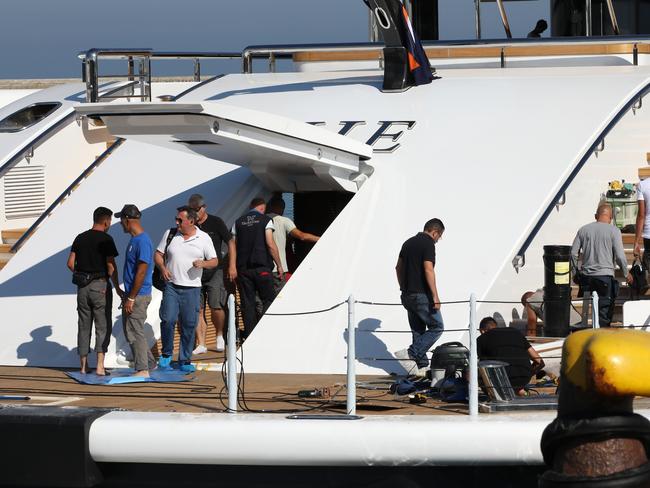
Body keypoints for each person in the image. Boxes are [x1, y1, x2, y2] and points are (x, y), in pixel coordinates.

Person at [154, 206, 218, 371]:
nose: (176, 222)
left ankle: (184, 360)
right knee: (168, 319)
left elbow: (214, 261)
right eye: (176, 219)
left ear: (191, 221)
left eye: (180, 220)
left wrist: (203, 263)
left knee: (189, 324)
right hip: (172, 287)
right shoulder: (170, 234)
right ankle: (167, 354)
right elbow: (158, 254)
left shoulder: (203, 238)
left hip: (192, 288)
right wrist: (162, 268)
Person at [67, 206, 120, 375]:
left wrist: (82, 275)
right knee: (102, 325)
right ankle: (100, 366)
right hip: (100, 285)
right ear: (106, 221)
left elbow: (70, 263)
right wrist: (117, 286)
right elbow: (111, 266)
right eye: (110, 221)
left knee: (83, 325)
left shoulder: (80, 238)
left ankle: (83, 366)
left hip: (82, 287)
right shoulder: (106, 239)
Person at [394, 218, 445, 377]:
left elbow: (398, 267)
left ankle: (421, 367)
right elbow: (428, 269)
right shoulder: (428, 244)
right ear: (435, 232)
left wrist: (403, 288)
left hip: (408, 294)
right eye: (439, 236)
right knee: (437, 327)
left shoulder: (408, 243)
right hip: (422, 295)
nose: (438, 240)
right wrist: (435, 296)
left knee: (418, 331)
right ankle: (411, 353)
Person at [187, 194, 235, 355]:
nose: (194, 213)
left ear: (204, 207)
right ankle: (201, 343)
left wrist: (232, 265)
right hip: (196, 272)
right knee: (197, 309)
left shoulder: (216, 222)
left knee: (216, 305)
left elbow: (230, 242)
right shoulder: (189, 225)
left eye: (196, 210)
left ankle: (219, 334)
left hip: (216, 270)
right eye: (191, 210)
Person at [571, 202, 632, 327]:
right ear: (611, 218)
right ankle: (602, 337)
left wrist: (575, 273)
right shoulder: (614, 230)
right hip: (605, 277)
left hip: (587, 278)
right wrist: (626, 273)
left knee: (588, 308)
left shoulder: (583, 230)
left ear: (595, 216)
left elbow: (573, 253)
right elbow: (620, 256)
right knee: (604, 314)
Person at [231, 197, 284, 339]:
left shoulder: (238, 222)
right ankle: (267, 331)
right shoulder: (265, 220)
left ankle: (250, 335)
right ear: (262, 207)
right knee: (268, 300)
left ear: (251, 206)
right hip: (262, 268)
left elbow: (233, 247)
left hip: (243, 270)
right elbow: (270, 244)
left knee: (247, 303)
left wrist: (233, 267)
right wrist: (279, 265)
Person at [116, 204, 156, 377]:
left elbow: (142, 270)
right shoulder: (135, 240)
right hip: (133, 294)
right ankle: (148, 363)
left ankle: (142, 369)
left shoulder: (142, 241)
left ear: (127, 220)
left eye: (121, 220)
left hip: (138, 295)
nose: (119, 224)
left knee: (134, 331)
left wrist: (131, 297)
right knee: (130, 329)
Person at [477, 317, 545, 396]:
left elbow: (481, 366)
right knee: (514, 381)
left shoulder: (481, 339)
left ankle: (495, 397)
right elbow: (540, 362)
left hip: (502, 380)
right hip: (524, 377)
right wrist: (527, 374)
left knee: (479, 373)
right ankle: (520, 391)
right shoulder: (515, 331)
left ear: (482, 331)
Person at [266, 196, 320, 291]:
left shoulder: (261, 220)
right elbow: (301, 236)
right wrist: (321, 239)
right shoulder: (283, 220)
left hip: (261, 269)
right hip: (277, 269)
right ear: (281, 208)